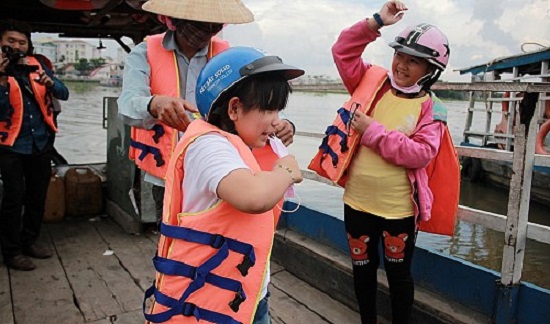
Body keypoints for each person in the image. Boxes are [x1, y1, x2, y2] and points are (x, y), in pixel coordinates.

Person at [143, 47, 304, 324]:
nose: (276, 120)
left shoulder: (237, 143)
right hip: (206, 306)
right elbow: (253, 196)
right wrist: (286, 170)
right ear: (234, 108)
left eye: (278, 109)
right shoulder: (208, 146)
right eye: (268, 108)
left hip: (246, 297)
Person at [117, 0, 297, 224]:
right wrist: (153, 104)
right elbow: (127, 105)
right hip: (168, 174)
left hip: (220, 168)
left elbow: (254, 105)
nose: (206, 33)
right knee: (173, 238)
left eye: (214, 26)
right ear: (174, 20)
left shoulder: (229, 58)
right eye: (199, 25)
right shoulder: (145, 53)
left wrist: (281, 126)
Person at [331, 1, 451, 323]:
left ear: (431, 71)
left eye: (415, 62)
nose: (402, 65)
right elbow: (342, 51)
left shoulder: (432, 108)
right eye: (400, 55)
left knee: (399, 277)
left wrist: (372, 132)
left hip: (399, 210)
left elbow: (421, 153)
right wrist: (377, 21)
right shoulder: (371, 82)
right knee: (362, 270)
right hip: (357, 202)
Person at [0, 19, 69, 271]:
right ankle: (11, 251)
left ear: (28, 45)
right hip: (10, 146)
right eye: (10, 41)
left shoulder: (37, 66)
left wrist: (50, 83)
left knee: (37, 196)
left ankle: (30, 241)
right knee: (12, 198)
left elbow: (64, 92)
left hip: (40, 143)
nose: (16, 46)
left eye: (21, 42)